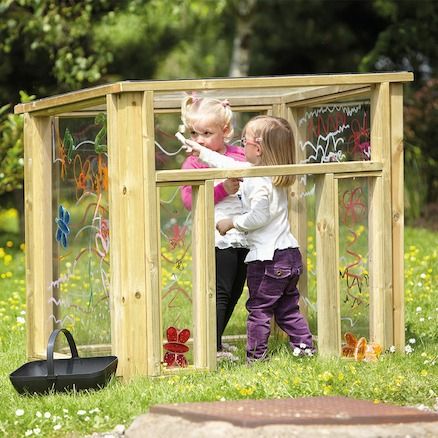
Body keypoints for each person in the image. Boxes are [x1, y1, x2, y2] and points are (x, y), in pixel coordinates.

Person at [183, 115, 314, 362]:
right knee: (287, 309)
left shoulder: (257, 180)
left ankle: (256, 357)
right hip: (289, 255)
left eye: (244, 142)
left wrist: (231, 223)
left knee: (259, 310)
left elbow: (259, 216)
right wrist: (201, 151)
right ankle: (305, 348)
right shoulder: (271, 174)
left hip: (268, 260)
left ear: (258, 147)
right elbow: (226, 164)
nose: (241, 148)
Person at [179, 95, 249, 361]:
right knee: (220, 290)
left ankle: (216, 340)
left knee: (236, 289)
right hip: (218, 235)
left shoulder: (238, 155)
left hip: (243, 232)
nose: (200, 140)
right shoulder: (194, 162)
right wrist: (222, 189)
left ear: (226, 131)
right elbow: (189, 200)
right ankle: (212, 348)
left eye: (207, 133)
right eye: (196, 133)